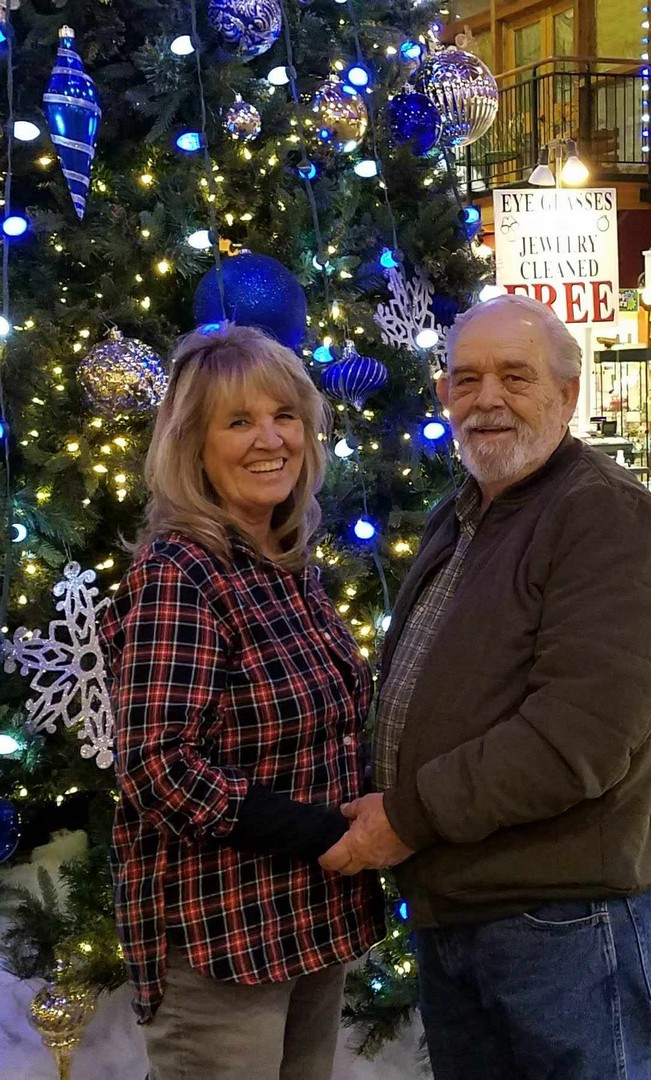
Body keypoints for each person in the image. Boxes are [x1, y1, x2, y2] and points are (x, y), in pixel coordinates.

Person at [320, 294, 651, 1079]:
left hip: (560, 915)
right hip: (461, 899)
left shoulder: (605, 518)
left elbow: (578, 737)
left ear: (568, 394)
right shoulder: (463, 512)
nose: (487, 398)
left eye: (516, 377)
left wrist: (408, 816)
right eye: (467, 378)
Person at [100, 323, 384, 1080]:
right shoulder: (179, 574)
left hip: (311, 920)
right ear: (193, 446)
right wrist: (320, 832)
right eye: (238, 421)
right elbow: (157, 767)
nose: (270, 439)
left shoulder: (282, 564)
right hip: (222, 934)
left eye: (284, 415)